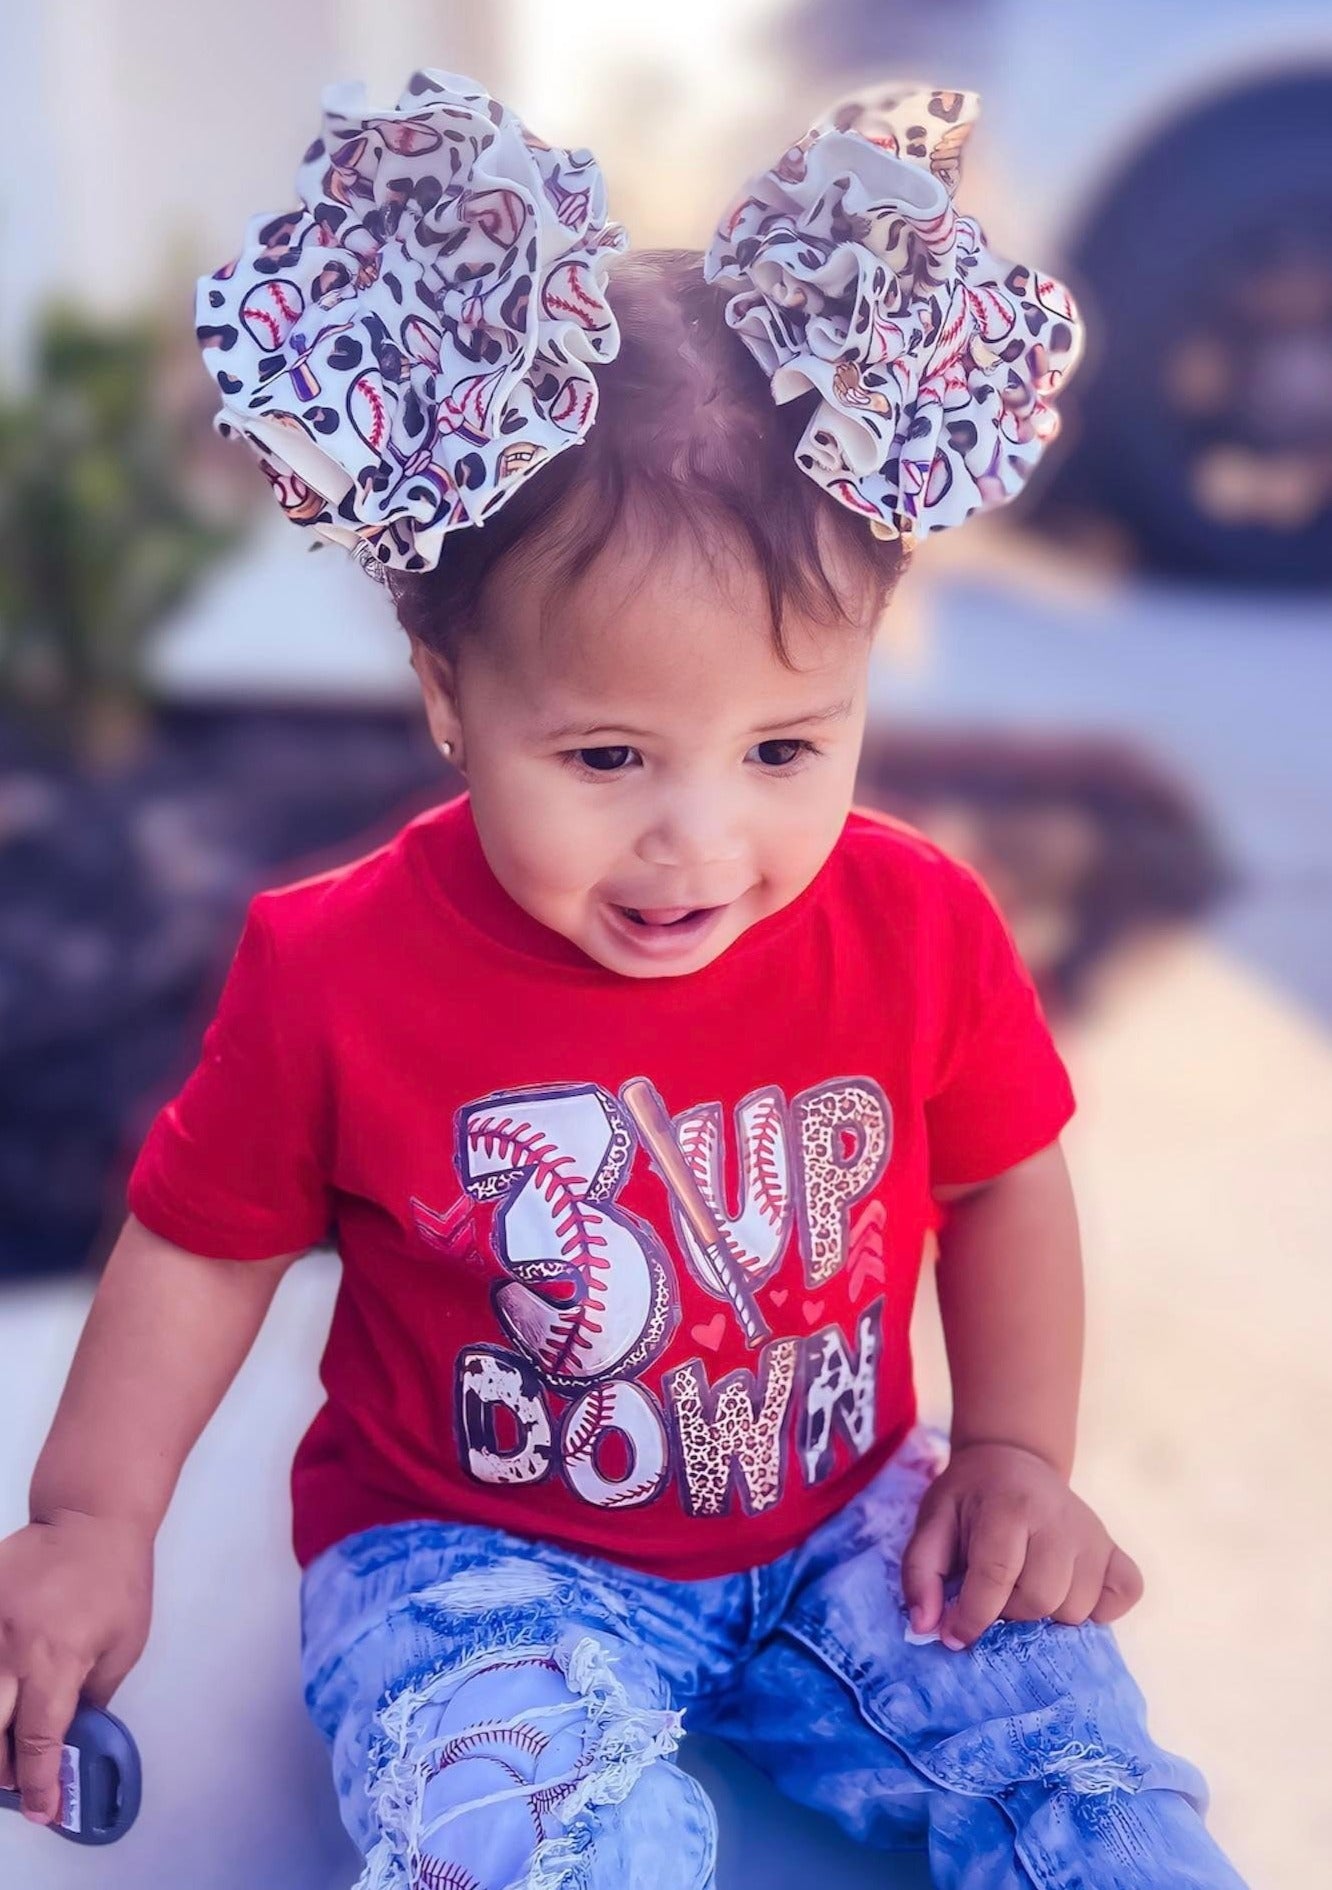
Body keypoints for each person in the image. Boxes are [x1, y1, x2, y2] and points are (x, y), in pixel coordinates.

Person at [0, 68, 1247, 1890]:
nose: (701, 844)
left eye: (785, 746)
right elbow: (198, 1248)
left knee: (1074, 1758)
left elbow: (1001, 1179)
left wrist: (1013, 1451)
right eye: (606, 758)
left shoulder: (914, 923)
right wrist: (92, 1519)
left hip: (850, 1526)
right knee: (525, 1832)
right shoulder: (339, 970)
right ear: (449, 695)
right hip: (475, 1559)